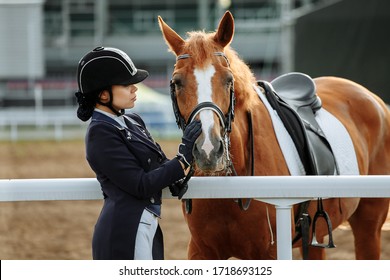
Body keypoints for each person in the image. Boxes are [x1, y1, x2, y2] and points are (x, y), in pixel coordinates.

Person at [75, 46, 201, 260]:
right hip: (124, 230)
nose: (135, 88)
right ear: (103, 94)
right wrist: (183, 156)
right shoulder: (100, 132)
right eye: (126, 84)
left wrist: (176, 175)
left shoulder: (133, 121)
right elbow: (140, 185)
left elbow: (158, 163)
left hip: (147, 224)